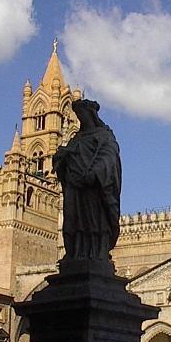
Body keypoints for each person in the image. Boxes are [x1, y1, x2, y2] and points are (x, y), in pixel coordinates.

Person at [53, 99, 121, 261]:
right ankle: (74, 254)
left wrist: (94, 172)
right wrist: (62, 157)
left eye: (82, 114)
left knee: (95, 222)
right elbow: (63, 159)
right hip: (75, 188)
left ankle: (97, 255)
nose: (80, 117)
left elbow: (109, 157)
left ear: (90, 114)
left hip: (94, 187)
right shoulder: (76, 139)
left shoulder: (104, 136)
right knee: (73, 222)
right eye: (78, 115)